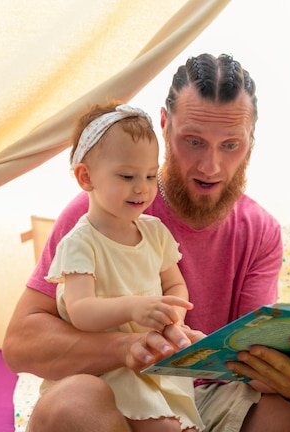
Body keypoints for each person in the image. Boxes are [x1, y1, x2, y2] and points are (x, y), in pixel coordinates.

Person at [3, 53, 290, 432]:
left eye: (230, 145)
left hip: (216, 399)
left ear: (251, 141)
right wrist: (128, 347)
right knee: (68, 404)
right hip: (122, 398)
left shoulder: (259, 230)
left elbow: (249, 365)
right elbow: (21, 344)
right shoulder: (102, 216)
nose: (210, 166)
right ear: (165, 127)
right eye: (194, 141)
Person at [41, 102, 204, 431]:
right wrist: (134, 308)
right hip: (105, 369)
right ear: (86, 177)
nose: (143, 187)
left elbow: (174, 286)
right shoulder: (80, 243)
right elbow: (82, 310)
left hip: (152, 362)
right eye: (127, 176)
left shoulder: (154, 232)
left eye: (149, 175)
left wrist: (172, 319)